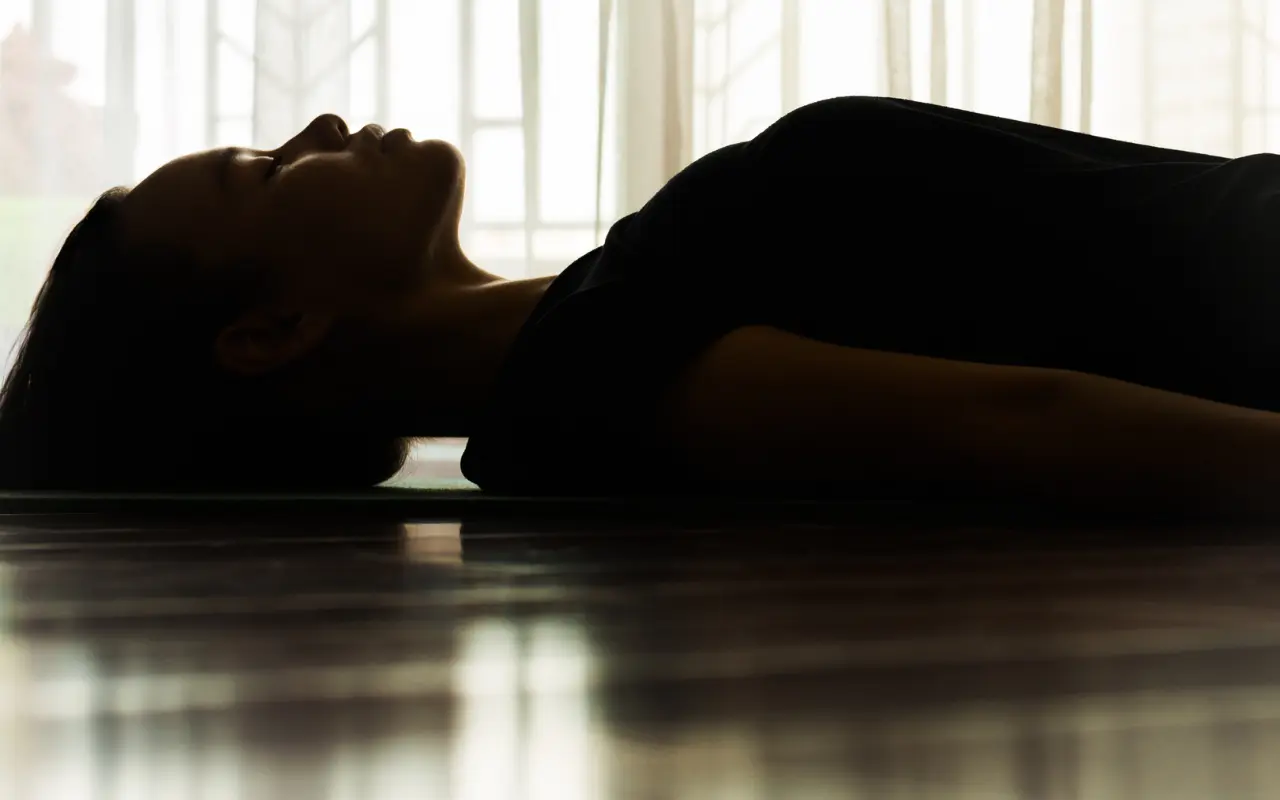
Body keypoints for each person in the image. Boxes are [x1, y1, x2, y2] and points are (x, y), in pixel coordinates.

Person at [5, 95, 1280, 516]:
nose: (323, 122)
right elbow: (1017, 420)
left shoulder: (609, 302)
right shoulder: (586, 382)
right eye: (268, 168)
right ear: (271, 332)